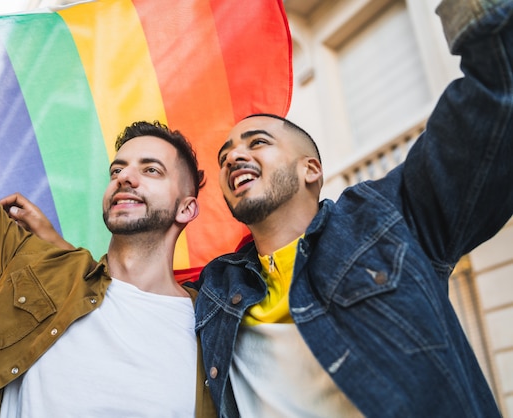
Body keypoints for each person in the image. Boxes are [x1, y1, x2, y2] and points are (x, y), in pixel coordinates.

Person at [193, 1, 513, 417]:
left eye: (257, 143)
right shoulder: (214, 288)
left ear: (311, 169)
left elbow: (498, 100)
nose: (233, 157)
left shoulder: (388, 219)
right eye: (224, 156)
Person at [0, 71, 216, 417]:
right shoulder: (40, 268)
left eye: (151, 171)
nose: (124, 178)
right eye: (116, 170)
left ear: (186, 208)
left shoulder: (215, 328)